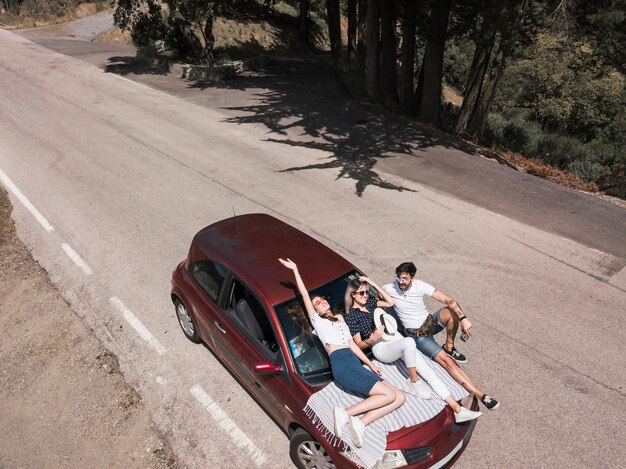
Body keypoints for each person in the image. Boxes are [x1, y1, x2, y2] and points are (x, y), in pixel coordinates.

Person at [279, 258, 406, 448]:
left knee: (400, 397)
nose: (321, 302)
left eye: (322, 300)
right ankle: (346, 413)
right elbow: (305, 295)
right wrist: (296, 270)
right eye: (317, 303)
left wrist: (370, 364)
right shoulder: (318, 323)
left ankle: (360, 423)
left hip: (353, 362)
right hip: (341, 364)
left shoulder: (339, 318)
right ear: (314, 311)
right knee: (388, 395)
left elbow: (352, 345)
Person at [344, 277, 482, 423]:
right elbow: (358, 344)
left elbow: (390, 302)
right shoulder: (352, 316)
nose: (365, 295)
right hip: (380, 346)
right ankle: (414, 380)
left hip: (394, 337)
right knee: (409, 342)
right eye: (361, 293)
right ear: (353, 295)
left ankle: (458, 410)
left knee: (429, 372)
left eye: (366, 292)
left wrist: (371, 284)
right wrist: (372, 339)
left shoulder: (371, 303)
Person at [383, 262, 500, 411]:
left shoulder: (420, 286)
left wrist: (463, 319)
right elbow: (372, 296)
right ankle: (481, 394)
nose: (400, 282)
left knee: (450, 312)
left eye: (404, 278)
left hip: (429, 323)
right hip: (418, 336)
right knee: (448, 362)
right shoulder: (389, 288)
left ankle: (449, 346)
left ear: (412, 278)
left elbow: (448, 300)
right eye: (399, 278)